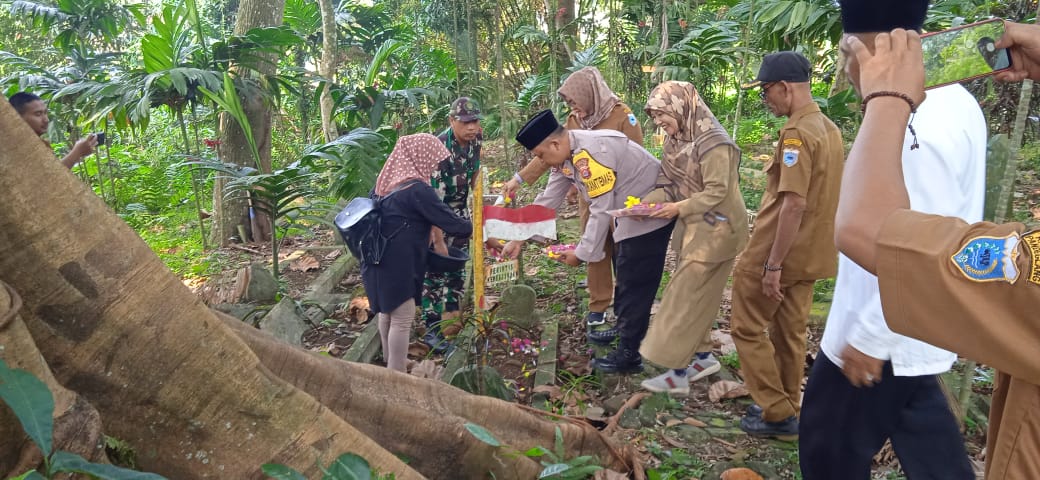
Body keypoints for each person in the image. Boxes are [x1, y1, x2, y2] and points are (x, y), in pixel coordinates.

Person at [834, 23, 1040, 479]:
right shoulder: (956, 106)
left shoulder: (926, 117)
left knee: (837, 440)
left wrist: (885, 99)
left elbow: (866, 229)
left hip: (900, 320)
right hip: (907, 323)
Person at [799, 1, 979, 477]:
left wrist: (871, 337)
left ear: (870, 51)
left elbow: (912, 243)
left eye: (846, 54)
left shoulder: (916, 123)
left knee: (826, 451)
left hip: (885, 333)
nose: (844, 70)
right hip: (912, 328)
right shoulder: (951, 97)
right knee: (932, 450)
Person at [505, 110, 673, 374]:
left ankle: (630, 355)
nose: (540, 160)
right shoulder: (566, 156)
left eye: (539, 155)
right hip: (626, 210)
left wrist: (580, 254)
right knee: (623, 268)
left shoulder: (589, 155)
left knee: (634, 278)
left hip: (648, 211)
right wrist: (519, 239)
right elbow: (548, 200)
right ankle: (623, 328)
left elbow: (600, 209)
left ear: (555, 144)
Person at [730, 51, 844, 437]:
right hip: (812, 254)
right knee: (789, 333)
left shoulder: (796, 134)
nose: (767, 100)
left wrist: (772, 265)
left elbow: (793, 203)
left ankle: (775, 408)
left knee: (746, 327)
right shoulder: (829, 128)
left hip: (777, 251)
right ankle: (790, 410)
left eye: (767, 92)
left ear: (785, 87)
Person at [502, 67, 643, 331]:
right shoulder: (572, 124)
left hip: (624, 200)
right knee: (596, 247)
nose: (572, 107)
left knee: (625, 254)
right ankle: (599, 304)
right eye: (567, 103)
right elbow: (548, 160)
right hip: (591, 198)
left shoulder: (622, 116)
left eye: (573, 100)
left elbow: (635, 156)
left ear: (589, 94)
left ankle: (627, 313)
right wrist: (519, 235)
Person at [636, 81, 749, 396]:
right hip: (695, 228)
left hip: (719, 230)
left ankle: (677, 374)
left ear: (681, 106)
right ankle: (701, 357)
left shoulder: (714, 144)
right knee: (700, 296)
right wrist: (645, 203)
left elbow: (717, 191)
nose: (658, 122)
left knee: (684, 299)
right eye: (655, 116)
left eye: (661, 114)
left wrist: (675, 207)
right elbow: (668, 182)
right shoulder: (676, 140)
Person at [361, 133, 472, 372]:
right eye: (431, 160)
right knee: (402, 317)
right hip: (398, 264)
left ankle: (393, 361)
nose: (433, 166)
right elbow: (452, 222)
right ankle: (396, 374)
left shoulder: (383, 184)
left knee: (387, 314)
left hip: (376, 260)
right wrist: (481, 223)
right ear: (419, 158)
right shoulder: (416, 189)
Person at [421, 97, 483, 353]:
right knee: (435, 272)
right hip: (435, 216)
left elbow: (476, 175)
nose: (472, 127)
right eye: (465, 122)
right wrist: (436, 240)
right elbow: (432, 203)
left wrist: (479, 212)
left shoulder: (476, 140)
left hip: (460, 216)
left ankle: (451, 324)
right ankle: (432, 328)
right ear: (451, 121)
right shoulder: (439, 149)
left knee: (457, 270)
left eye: (475, 121)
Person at [9, 92, 97, 169]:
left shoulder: (41, 144)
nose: (46, 119)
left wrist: (78, 153)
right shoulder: (14, 148)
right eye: (38, 114)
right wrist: (76, 153)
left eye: (45, 113)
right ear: (18, 118)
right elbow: (47, 178)